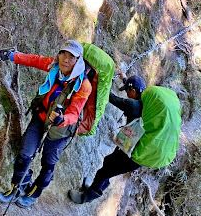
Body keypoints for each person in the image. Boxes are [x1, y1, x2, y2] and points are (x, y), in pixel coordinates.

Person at [0, 39, 92, 208]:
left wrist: (63, 119)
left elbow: (75, 113)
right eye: (63, 54)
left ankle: (34, 193)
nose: (65, 60)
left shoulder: (83, 85)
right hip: (41, 115)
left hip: (62, 129)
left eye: (71, 57)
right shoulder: (54, 66)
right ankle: (16, 189)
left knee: (48, 162)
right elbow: (35, 60)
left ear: (78, 60)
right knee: (25, 153)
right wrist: (11, 56)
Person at [69, 75, 181, 204]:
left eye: (127, 91)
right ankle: (98, 186)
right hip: (148, 149)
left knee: (105, 171)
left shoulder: (134, 106)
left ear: (133, 91)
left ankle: (86, 197)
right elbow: (134, 91)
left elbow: (112, 98)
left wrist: (97, 84)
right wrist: (125, 79)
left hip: (140, 152)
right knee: (109, 163)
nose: (127, 95)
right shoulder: (149, 106)